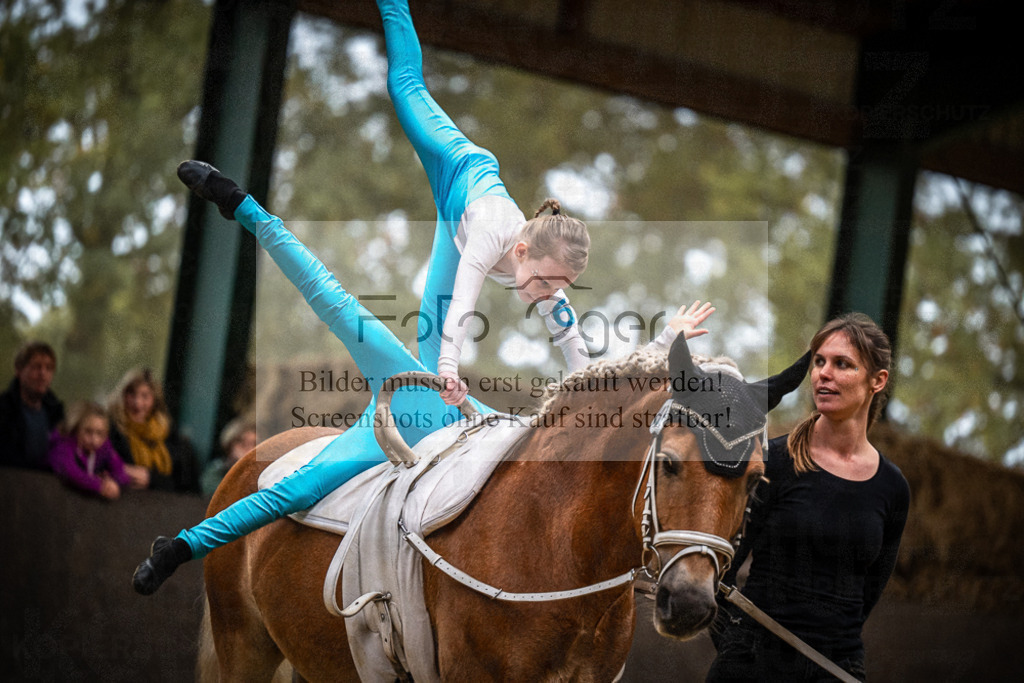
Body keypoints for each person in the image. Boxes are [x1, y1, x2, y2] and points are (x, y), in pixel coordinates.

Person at [132, 0, 716, 594]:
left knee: (299, 489)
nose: (547, 299)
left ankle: (178, 546)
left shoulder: (548, 291)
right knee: (400, 97)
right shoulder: (493, 236)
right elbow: (462, 303)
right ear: (521, 252)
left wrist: (665, 345)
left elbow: (588, 380)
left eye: (559, 290)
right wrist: (444, 372)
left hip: (435, 414)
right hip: (458, 177)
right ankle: (242, 202)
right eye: (545, 282)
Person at [706, 313, 910, 682]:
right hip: (752, 663)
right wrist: (741, 649)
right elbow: (723, 571)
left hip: (836, 668)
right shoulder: (774, 461)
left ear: (877, 381)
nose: (823, 374)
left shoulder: (892, 488)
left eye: (842, 364)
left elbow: (868, 595)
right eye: (819, 362)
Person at [108, 368, 199, 494]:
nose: (137, 403)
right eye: (132, 395)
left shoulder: (170, 435)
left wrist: (151, 479)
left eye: (145, 396)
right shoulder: (110, 430)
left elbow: (185, 485)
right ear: (122, 396)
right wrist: (119, 470)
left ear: (154, 400)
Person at [48, 401, 149, 500]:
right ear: (77, 428)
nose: (94, 440)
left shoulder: (104, 446)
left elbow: (120, 469)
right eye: (88, 431)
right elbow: (71, 472)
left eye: (99, 433)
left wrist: (113, 481)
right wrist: (100, 485)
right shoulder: (63, 446)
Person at [0, 340, 65, 471]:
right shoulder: (4, 409)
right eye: (36, 367)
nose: (42, 374)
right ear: (19, 370)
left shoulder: (57, 414)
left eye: (48, 368)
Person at [200, 418, 261, 497]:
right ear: (230, 446)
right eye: (244, 445)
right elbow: (215, 494)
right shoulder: (218, 469)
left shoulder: (263, 471)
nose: (250, 450)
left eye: (254, 444)